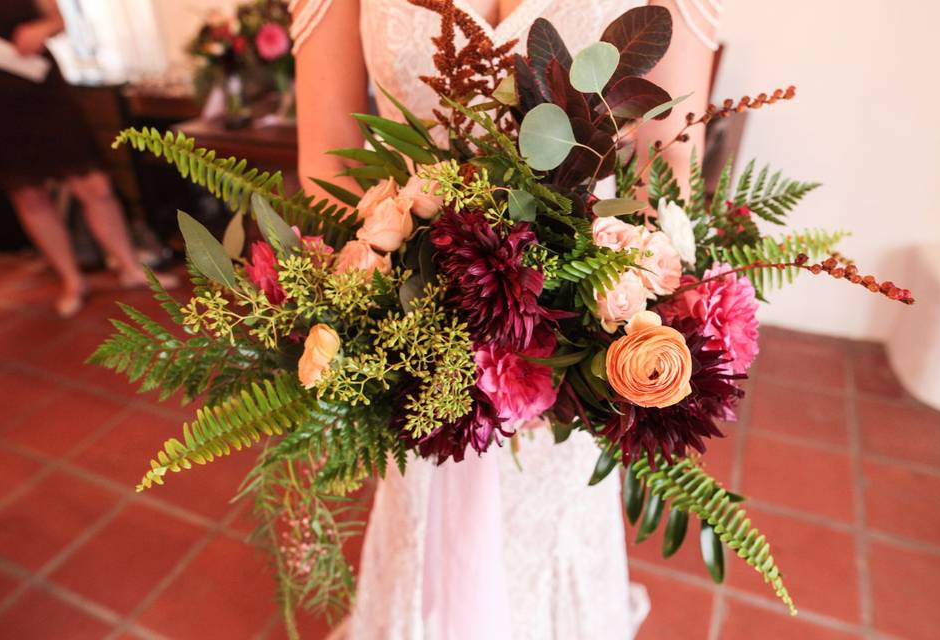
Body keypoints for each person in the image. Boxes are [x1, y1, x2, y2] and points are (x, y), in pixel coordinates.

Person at [290, 1, 719, 637]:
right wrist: (381, 311)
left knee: (555, 523)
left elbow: (665, 173)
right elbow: (329, 166)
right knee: (422, 524)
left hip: (575, 324)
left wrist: (594, 321)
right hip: (411, 332)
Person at [0, 0, 177, 318]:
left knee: (94, 185)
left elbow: (60, 19)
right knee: (29, 193)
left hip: (41, 87)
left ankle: (130, 267)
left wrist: (40, 29)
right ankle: (72, 280)